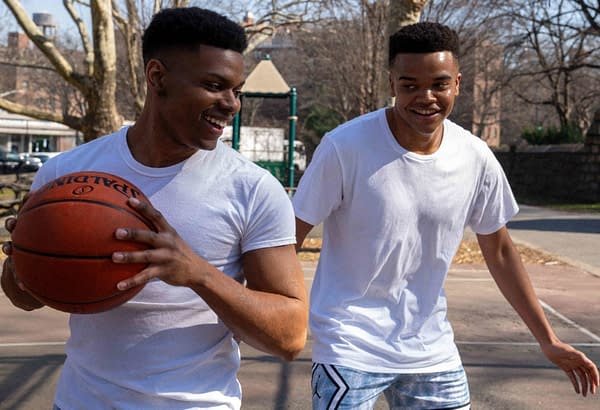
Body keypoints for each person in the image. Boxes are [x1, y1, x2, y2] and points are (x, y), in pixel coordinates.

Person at [1, 7, 308, 409]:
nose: (232, 104)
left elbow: (289, 337)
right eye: (215, 86)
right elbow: (23, 297)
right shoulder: (66, 174)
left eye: (237, 89)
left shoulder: (253, 189)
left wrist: (198, 274)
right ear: (157, 77)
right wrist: (25, 265)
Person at [292, 22, 599, 409]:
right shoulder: (344, 147)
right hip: (350, 345)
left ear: (457, 82)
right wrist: (275, 318)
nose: (426, 97)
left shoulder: (474, 156)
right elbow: (289, 237)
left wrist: (548, 339)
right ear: (391, 83)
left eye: (439, 84)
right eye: (409, 86)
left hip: (431, 350)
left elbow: (501, 251)